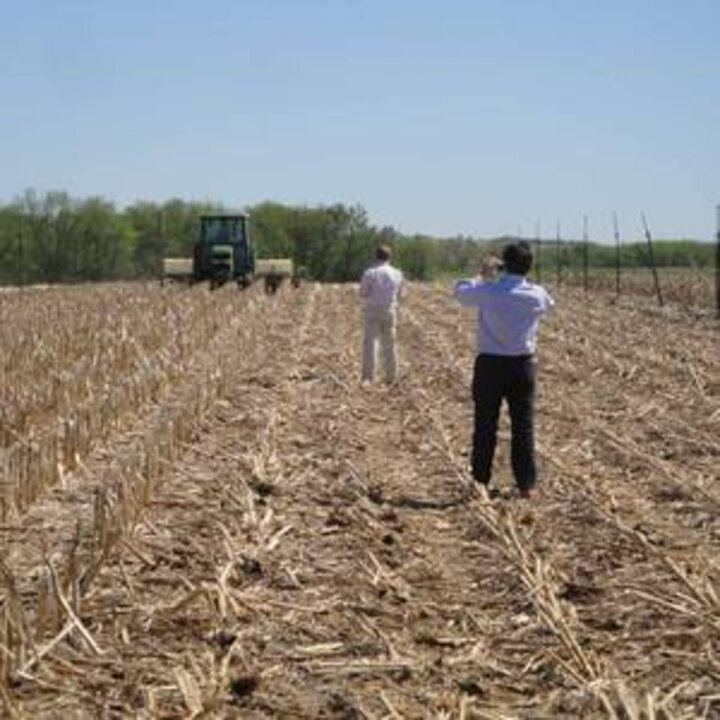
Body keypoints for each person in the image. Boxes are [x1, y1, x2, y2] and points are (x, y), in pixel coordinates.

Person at [453, 242, 554, 499]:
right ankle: (526, 484)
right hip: (523, 365)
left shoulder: (489, 290)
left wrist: (483, 275)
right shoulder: (536, 294)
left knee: (485, 424)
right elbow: (549, 306)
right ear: (529, 266)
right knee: (524, 426)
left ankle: (481, 481)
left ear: (504, 264)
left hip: (490, 365)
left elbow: (460, 292)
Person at [359, 245, 404, 384]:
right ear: (389, 257)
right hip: (390, 309)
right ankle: (391, 377)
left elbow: (363, 293)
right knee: (390, 343)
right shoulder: (397, 273)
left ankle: (368, 378)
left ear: (376, 256)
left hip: (372, 310)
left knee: (371, 343)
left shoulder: (370, 272)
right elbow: (401, 294)